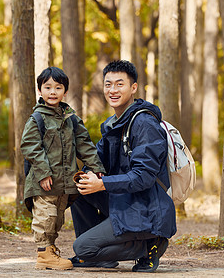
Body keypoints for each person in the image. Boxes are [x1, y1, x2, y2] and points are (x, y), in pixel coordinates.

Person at [70, 60, 177, 272]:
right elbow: (97, 160)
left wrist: (102, 184)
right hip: (126, 200)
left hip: (146, 208)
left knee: (82, 247)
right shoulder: (115, 123)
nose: (113, 90)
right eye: (108, 84)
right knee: (79, 187)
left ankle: (148, 245)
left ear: (133, 88)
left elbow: (143, 177)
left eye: (120, 84)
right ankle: (99, 253)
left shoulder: (144, 123)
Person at [20, 66, 105, 270]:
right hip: (45, 181)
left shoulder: (71, 119)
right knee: (45, 216)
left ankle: (50, 250)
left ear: (65, 91)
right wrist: (43, 172)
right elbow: (30, 146)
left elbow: (84, 144)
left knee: (56, 218)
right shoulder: (37, 118)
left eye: (58, 88)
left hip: (65, 181)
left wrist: (96, 167)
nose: (52, 92)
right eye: (47, 87)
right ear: (40, 90)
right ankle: (43, 254)